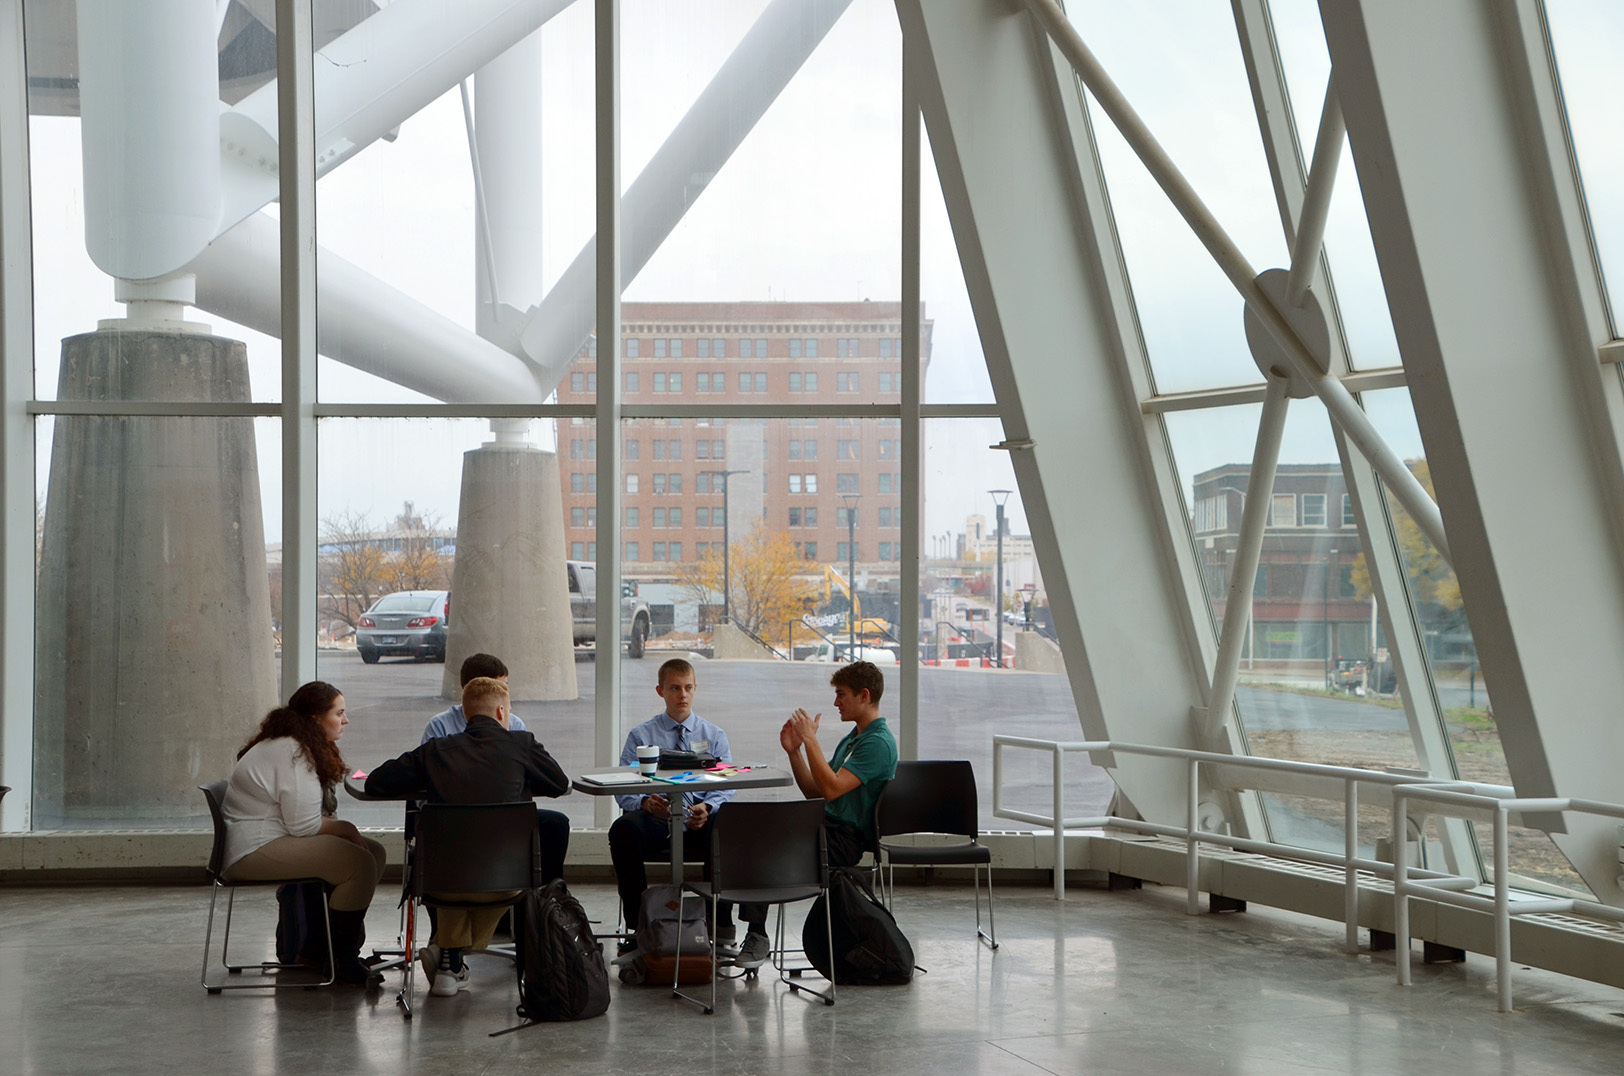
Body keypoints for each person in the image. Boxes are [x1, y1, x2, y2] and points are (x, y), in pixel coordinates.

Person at [366, 676, 571, 997]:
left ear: (464, 713)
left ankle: (450, 957)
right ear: (502, 712)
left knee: (455, 854)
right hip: (508, 881)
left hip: (443, 883)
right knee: (488, 859)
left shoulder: (436, 750)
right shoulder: (522, 744)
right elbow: (560, 784)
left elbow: (375, 783)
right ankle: (454, 957)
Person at [222, 681, 388, 986]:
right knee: (360, 864)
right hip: (254, 850)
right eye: (339, 713)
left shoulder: (291, 744)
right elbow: (304, 827)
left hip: (266, 840)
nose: (346, 720)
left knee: (373, 852)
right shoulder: (294, 751)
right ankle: (342, 961)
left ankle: (320, 950)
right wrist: (345, 829)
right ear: (316, 719)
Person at [610, 658, 771, 969]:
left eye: (687, 688)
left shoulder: (713, 735)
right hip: (657, 817)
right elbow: (624, 786)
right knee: (623, 830)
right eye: (674, 688)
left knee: (730, 827)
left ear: (695, 689)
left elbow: (726, 783)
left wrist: (707, 807)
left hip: (700, 817)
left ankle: (721, 927)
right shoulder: (641, 736)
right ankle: (638, 927)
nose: (682, 695)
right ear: (661, 691)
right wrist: (644, 803)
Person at [422, 652, 569, 883]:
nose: (506, 696)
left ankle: (546, 901)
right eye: (500, 688)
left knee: (556, 824)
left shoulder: (515, 725)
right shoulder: (440, 728)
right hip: (454, 822)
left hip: (504, 820)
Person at [781, 661, 899, 869]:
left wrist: (810, 739)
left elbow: (831, 790)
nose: (836, 703)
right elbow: (814, 791)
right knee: (761, 833)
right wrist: (795, 752)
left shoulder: (877, 743)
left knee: (765, 844)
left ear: (864, 696)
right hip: (827, 828)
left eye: (841, 694)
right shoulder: (854, 738)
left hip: (843, 839)